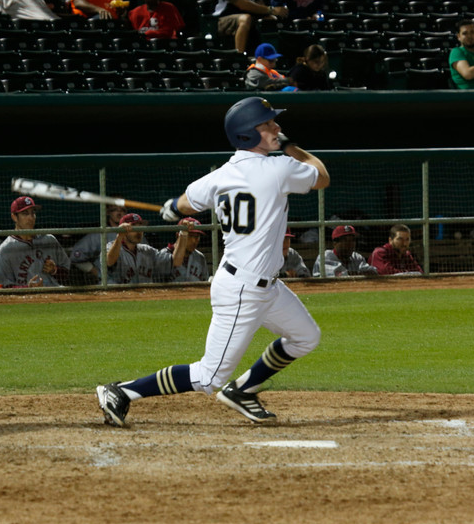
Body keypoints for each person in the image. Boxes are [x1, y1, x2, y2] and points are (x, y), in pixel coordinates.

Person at [96, 96, 329, 427]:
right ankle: (122, 391)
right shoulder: (280, 167)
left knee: (306, 337)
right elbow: (321, 175)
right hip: (242, 290)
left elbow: (187, 202)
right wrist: (292, 146)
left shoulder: (218, 176)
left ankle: (244, 390)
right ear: (249, 134)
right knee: (208, 376)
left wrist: (171, 208)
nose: (277, 127)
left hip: (267, 287)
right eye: (268, 124)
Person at [0, 196, 70, 288]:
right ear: (14, 217)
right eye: (25, 214)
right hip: (25, 300)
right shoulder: (4, 250)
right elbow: (4, 287)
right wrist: (27, 288)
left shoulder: (49, 240)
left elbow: (68, 274)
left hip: (55, 294)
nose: (31, 218)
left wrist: (55, 270)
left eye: (33, 213)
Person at [69, 204, 145, 282]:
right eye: (115, 209)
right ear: (108, 212)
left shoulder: (137, 234)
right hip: (111, 285)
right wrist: (98, 273)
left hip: (136, 283)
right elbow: (76, 257)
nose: (119, 213)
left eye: (122, 210)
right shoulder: (99, 234)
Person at [105, 213, 159, 284]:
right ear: (123, 230)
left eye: (140, 226)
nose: (138, 231)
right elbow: (109, 261)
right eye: (133, 226)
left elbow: (169, 261)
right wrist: (119, 236)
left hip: (145, 293)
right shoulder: (111, 247)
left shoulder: (147, 250)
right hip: (119, 293)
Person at [156, 217, 208, 283]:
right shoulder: (164, 255)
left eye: (197, 237)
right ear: (178, 235)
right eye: (190, 235)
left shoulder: (200, 258)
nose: (194, 241)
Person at [313, 225, 378, 277]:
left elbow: (373, 271)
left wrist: (366, 272)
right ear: (335, 243)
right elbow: (337, 276)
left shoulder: (356, 257)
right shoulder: (326, 256)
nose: (350, 244)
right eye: (345, 240)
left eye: (353, 240)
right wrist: (360, 273)